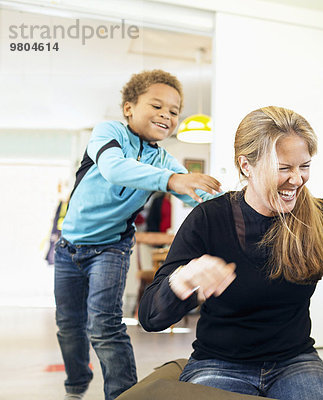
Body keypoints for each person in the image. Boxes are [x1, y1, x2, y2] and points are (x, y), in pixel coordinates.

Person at [138, 106, 323, 400]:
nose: (297, 180)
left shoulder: (320, 216)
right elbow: (150, 318)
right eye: (284, 168)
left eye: (304, 166)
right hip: (219, 363)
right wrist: (181, 281)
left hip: (295, 362)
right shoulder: (208, 219)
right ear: (246, 166)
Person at [54, 69, 222, 400]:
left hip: (112, 248)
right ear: (129, 107)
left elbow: (199, 197)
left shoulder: (164, 159)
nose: (167, 115)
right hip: (69, 246)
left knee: (104, 327)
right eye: (157, 106)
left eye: (174, 111)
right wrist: (172, 180)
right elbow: (114, 168)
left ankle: (123, 396)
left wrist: (244, 200)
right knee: (69, 325)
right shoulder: (108, 132)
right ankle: (75, 385)